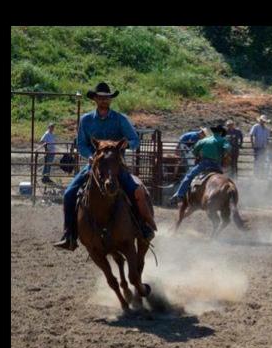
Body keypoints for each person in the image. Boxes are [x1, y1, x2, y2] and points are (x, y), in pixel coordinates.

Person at [53, 82, 155, 251]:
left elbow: (135, 139)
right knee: (69, 193)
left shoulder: (120, 119)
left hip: (116, 166)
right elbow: (82, 144)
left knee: (136, 190)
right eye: (100, 98)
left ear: (110, 100)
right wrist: (91, 156)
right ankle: (69, 234)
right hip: (94, 165)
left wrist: (125, 145)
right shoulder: (85, 120)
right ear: (95, 99)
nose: (104, 101)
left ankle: (143, 227)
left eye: (106, 98)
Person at [170, 125, 231, 203]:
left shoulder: (204, 140)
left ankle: (179, 195)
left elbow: (195, 151)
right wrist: (223, 154)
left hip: (204, 163)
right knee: (224, 178)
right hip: (217, 164)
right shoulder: (224, 140)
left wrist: (198, 155)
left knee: (189, 176)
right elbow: (228, 148)